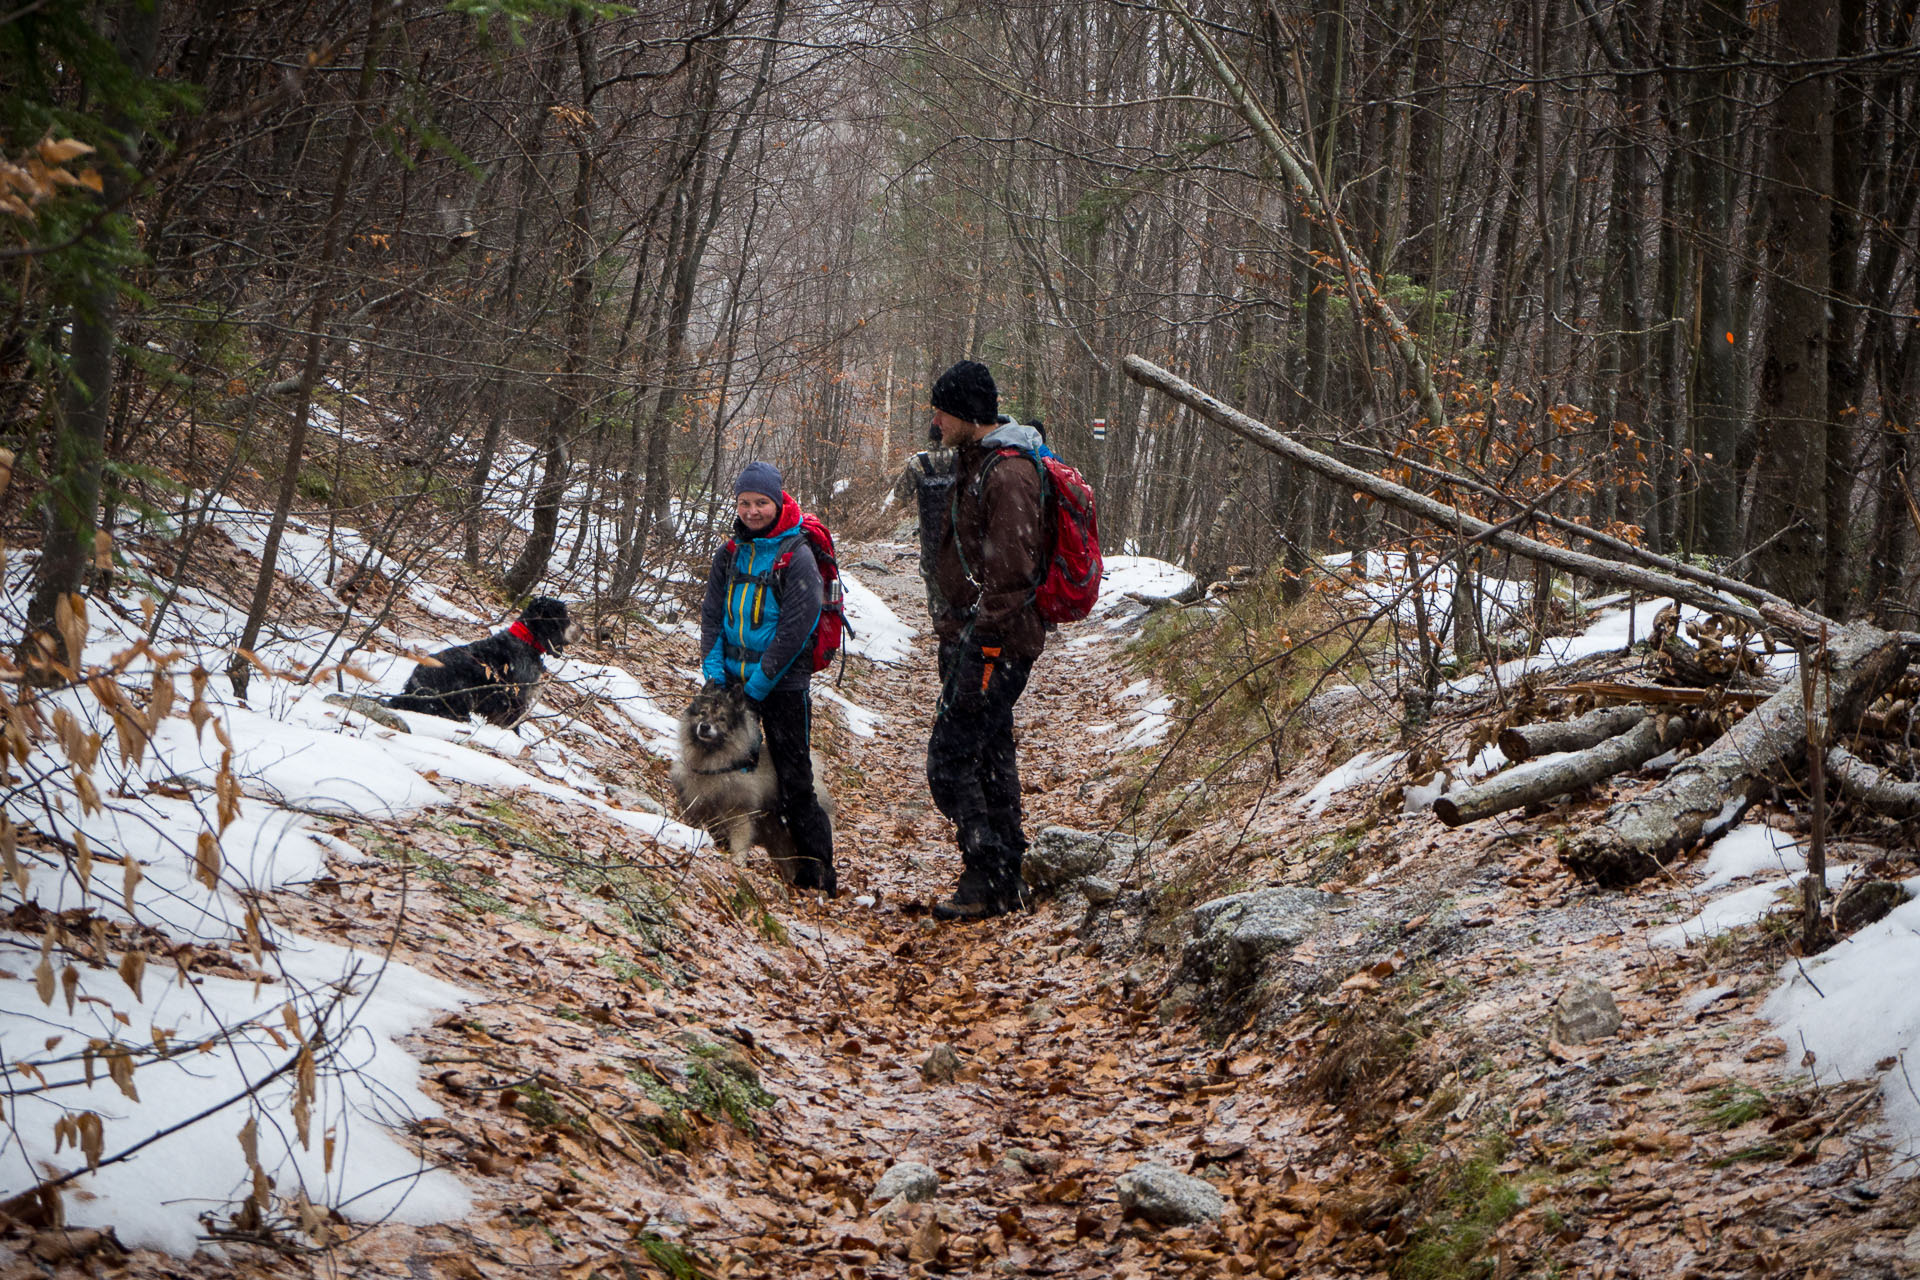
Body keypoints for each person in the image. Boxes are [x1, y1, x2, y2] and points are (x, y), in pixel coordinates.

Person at [922, 360, 1049, 921]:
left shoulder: (1010, 473)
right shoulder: (975, 463)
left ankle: (985, 872)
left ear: (967, 413)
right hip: (974, 638)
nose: (934, 419)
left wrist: (983, 643)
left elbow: (1013, 574)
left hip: (995, 643)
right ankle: (1005, 877)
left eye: (941, 410)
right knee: (991, 752)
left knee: (951, 759)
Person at [699, 461, 837, 895]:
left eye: (761, 503)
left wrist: (757, 687)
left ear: (778, 503)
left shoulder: (796, 555)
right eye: (744, 503)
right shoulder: (730, 552)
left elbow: (797, 628)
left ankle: (818, 875)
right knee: (722, 773)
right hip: (732, 686)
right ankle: (730, 854)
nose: (752, 512)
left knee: (795, 780)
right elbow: (711, 615)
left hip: (783, 687)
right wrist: (714, 671)